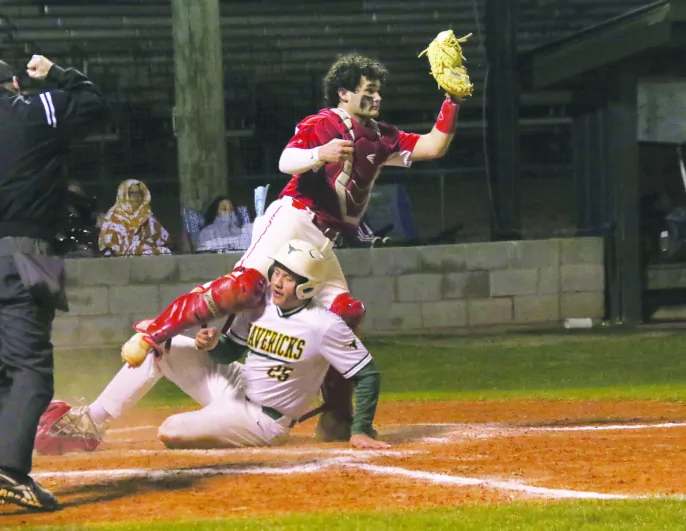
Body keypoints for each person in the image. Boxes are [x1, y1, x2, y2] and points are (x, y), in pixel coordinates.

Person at [119, 53, 461, 441]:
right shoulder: (323, 123)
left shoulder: (382, 136)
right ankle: (154, 333)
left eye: (378, 91)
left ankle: (337, 418)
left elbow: (433, 146)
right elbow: (287, 160)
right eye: (368, 91)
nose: (377, 98)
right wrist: (319, 154)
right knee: (244, 287)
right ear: (344, 93)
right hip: (294, 219)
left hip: (323, 243)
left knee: (344, 313)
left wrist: (451, 100)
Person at [0, 54, 109, 511]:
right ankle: (10, 474)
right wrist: (56, 74)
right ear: (13, 84)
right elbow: (94, 104)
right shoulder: (37, 109)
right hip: (22, 254)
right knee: (31, 372)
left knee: (0, 376)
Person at [35, 239, 388, 454]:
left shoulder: (324, 324)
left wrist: (359, 429)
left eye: (289, 277)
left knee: (170, 430)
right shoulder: (262, 305)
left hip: (262, 421)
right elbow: (230, 353)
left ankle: (218, 422)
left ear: (308, 286)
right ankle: (91, 422)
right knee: (164, 344)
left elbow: (367, 374)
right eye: (277, 272)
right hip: (236, 384)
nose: (278, 281)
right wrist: (212, 344)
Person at [98, 179, 171, 256]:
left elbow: (166, 241)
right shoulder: (113, 218)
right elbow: (111, 247)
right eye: (132, 193)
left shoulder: (148, 217)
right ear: (123, 195)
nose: (137, 196)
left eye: (139, 193)